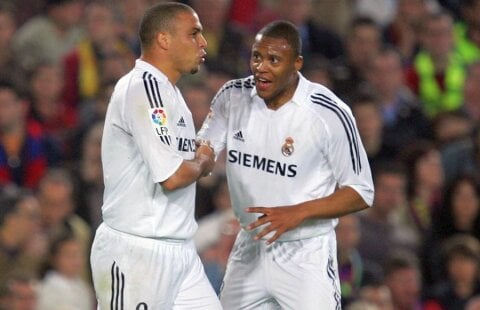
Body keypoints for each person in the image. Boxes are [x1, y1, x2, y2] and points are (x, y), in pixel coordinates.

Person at [198, 20, 374, 309]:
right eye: (257, 57)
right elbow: (204, 149)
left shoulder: (328, 113)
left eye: (274, 60)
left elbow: (361, 191)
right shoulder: (234, 96)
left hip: (305, 254)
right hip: (249, 247)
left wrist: (298, 213)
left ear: (297, 63)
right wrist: (197, 160)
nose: (261, 67)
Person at [89, 3, 220, 309]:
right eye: (193, 33)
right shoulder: (143, 88)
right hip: (137, 254)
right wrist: (203, 162)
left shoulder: (170, 92)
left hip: (180, 252)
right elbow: (173, 177)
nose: (203, 43)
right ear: (163, 39)